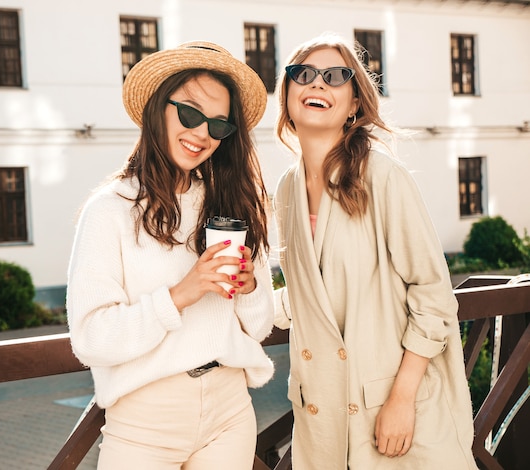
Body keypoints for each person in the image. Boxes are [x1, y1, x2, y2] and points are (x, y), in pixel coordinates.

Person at [272, 32, 478, 469]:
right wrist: (250, 300)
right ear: (287, 93)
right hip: (322, 414)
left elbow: (434, 296)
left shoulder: (381, 175)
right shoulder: (286, 189)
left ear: (354, 105)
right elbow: (315, 295)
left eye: (335, 76)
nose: (317, 84)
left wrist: (402, 400)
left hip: (392, 408)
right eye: (303, 74)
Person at [66, 41, 275, 470]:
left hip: (229, 411)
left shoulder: (229, 205)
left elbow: (257, 327)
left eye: (218, 126)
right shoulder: (110, 209)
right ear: (158, 106)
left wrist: (251, 289)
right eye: (191, 113)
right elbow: (90, 339)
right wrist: (181, 294)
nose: (202, 133)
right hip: (145, 421)